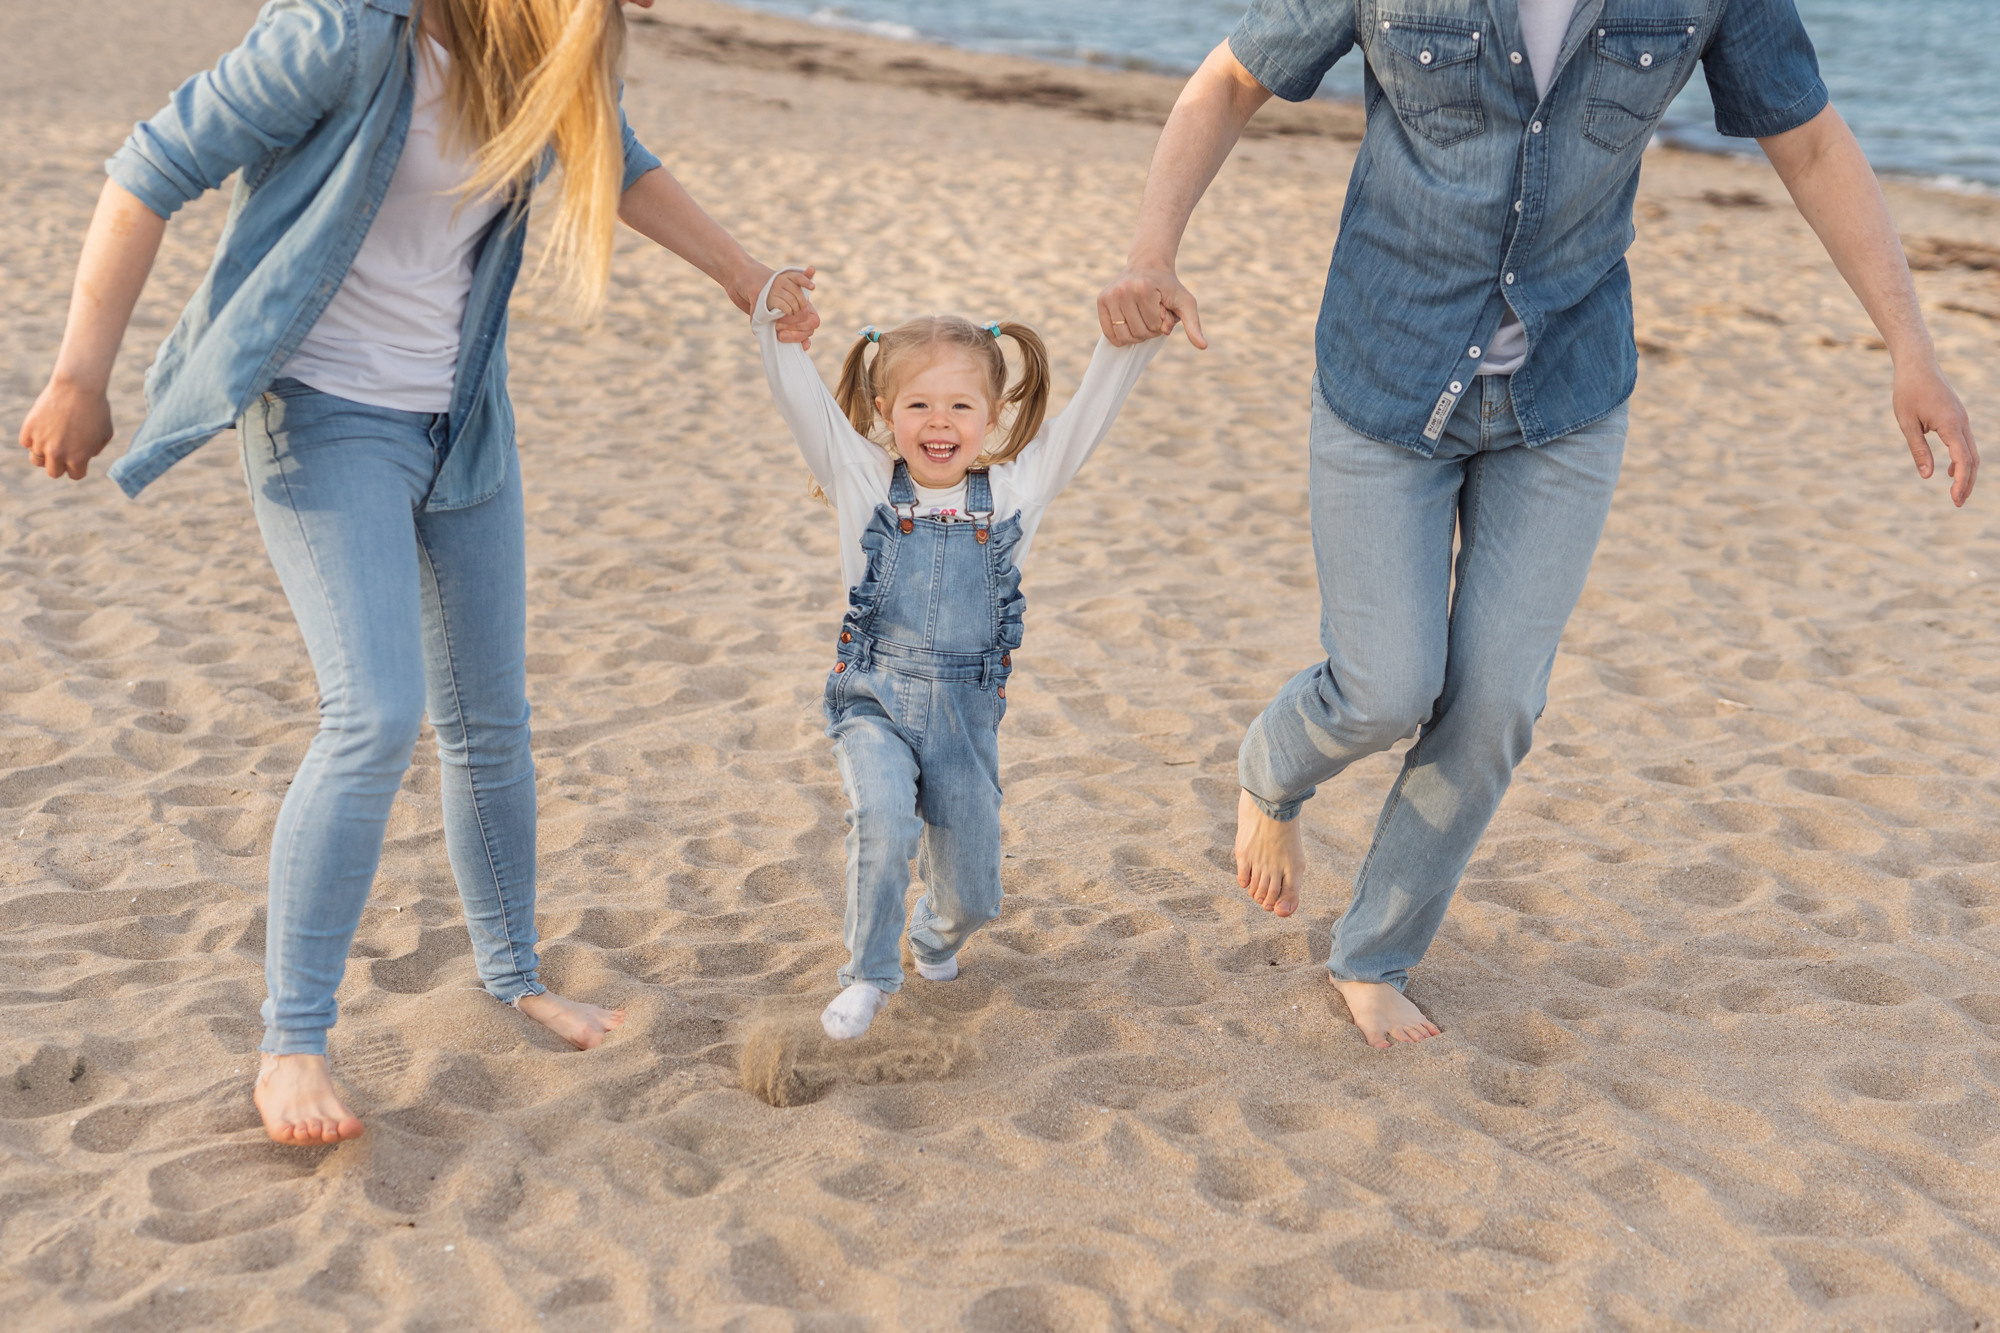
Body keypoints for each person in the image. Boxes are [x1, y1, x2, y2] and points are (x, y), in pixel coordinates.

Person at [1097, 0, 1977, 1047]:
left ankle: (1373, 953)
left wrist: (1908, 349)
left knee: (1495, 703)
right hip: (1385, 373)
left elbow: (1813, 141)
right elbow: (1229, 81)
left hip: (1563, 396)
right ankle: (1271, 768)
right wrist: (1151, 251)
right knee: (1382, 685)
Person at [16, 0, 819, 1145]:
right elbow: (150, 166)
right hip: (324, 417)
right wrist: (77, 376)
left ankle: (515, 975)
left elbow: (617, 159)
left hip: (462, 426)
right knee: (374, 715)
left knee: (490, 719)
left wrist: (745, 276)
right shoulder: (347, 36)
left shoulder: (535, 56)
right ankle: (290, 1045)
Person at [754, 267, 1165, 1039]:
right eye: (917, 404)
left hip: (966, 722)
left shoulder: (1012, 494)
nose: (938, 422)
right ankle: (869, 977)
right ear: (885, 412)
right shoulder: (864, 481)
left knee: (973, 891)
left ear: (994, 413)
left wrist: (1129, 347)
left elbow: (1083, 424)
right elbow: (800, 401)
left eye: (959, 406)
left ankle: (933, 938)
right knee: (880, 820)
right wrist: (772, 329)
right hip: (873, 698)